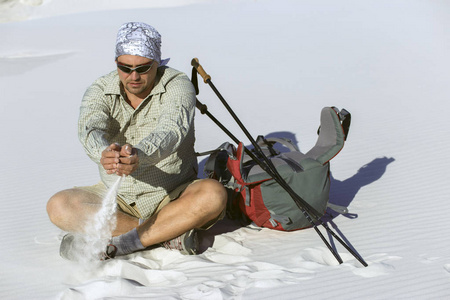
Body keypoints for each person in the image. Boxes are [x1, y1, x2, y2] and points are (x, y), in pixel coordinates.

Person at [46, 22, 227, 259]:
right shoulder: (100, 89)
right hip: (118, 198)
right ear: (116, 64)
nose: (133, 76)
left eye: (142, 68)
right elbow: (90, 127)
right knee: (59, 206)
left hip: (173, 195)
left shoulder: (177, 84)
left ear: (157, 63)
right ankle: (167, 233)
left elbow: (172, 130)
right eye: (125, 67)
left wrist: (140, 156)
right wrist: (103, 153)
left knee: (213, 195)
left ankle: (121, 245)